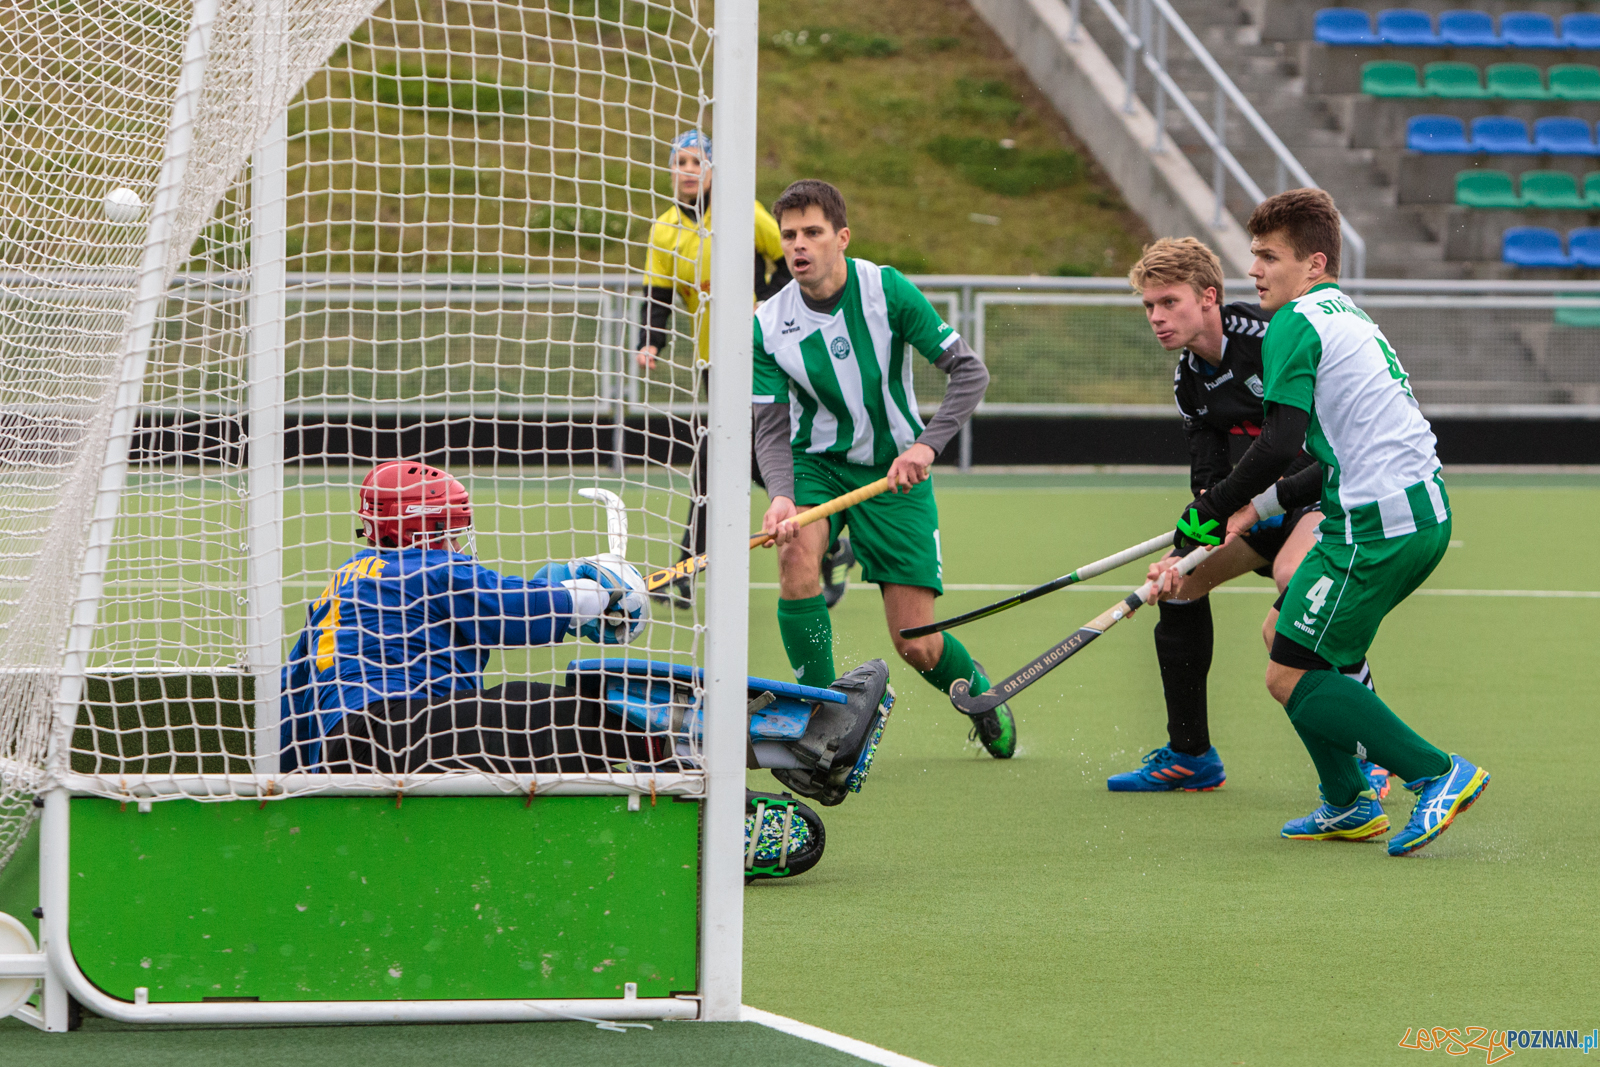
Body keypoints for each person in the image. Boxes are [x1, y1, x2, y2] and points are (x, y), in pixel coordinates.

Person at [278, 461, 891, 879]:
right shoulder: (426, 568)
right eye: (454, 531)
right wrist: (595, 597)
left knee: (543, 708)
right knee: (575, 710)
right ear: (430, 530)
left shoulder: (346, 585)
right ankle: (774, 770)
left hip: (347, 755)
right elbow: (513, 609)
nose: (461, 542)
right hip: (399, 735)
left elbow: (291, 696)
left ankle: (736, 782)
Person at [1155, 189, 1488, 855]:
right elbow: (1317, 462)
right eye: (1253, 256)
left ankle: (1436, 772)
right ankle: (1347, 801)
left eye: (1268, 257)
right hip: (1411, 511)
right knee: (1285, 630)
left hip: (1378, 524)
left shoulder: (1294, 324)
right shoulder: (1346, 315)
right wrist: (1251, 509)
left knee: (1291, 673)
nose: (1256, 271)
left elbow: (1278, 444)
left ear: (1314, 262)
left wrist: (1207, 510)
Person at [1107, 237, 1389, 796]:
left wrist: (1244, 506)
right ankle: (1191, 755)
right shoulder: (1190, 380)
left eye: (1169, 303)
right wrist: (1185, 547)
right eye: (1149, 306)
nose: (1157, 318)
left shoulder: (1268, 337)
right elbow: (1209, 481)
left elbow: (1325, 446)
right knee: (1181, 584)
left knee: (1292, 579)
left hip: (1325, 491)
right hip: (1262, 505)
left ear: (1208, 297)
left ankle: (1370, 752)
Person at [752, 179, 1016, 759]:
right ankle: (819, 710)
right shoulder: (768, 324)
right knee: (794, 551)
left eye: (812, 233)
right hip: (813, 463)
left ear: (841, 238)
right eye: (790, 235)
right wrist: (779, 496)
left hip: (894, 470)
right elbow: (769, 428)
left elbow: (969, 373)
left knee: (914, 643)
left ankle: (983, 696)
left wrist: (924, 447)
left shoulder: (884, 290)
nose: (799, 245)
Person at [634, 130, 832, 605]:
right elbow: (656, 294)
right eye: (679, 161)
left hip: (759, 355)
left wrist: (766, 302)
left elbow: (784, 254)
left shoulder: (742, 210)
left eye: (695, 160)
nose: (686, 170)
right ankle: (825, 533)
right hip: (712, 362)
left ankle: (688, 564)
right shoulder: (664, 229)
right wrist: (650, 341)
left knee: (718, 456)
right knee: (727, 457)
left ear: (712, 169)